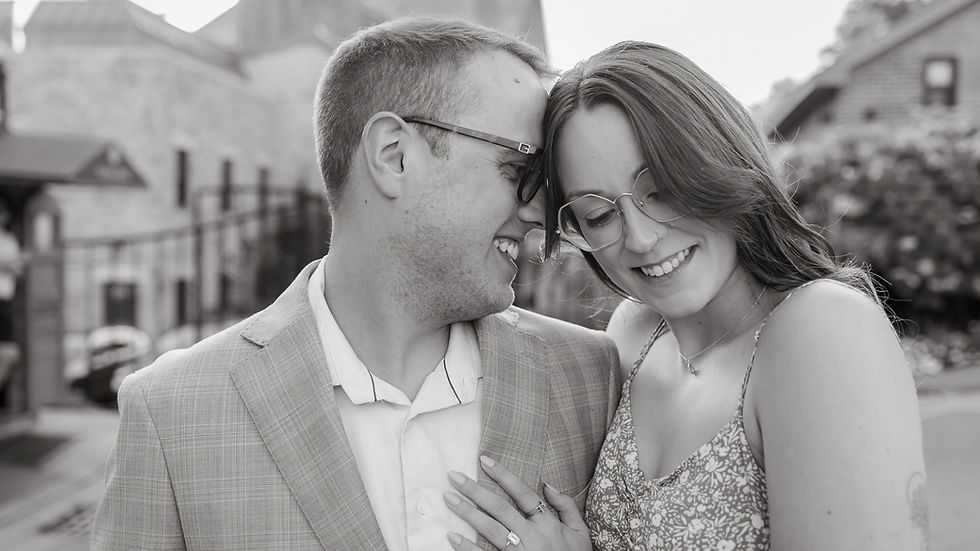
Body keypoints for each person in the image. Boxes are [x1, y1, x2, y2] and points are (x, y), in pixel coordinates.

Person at [90, 18, 621, 551]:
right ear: (394, 156)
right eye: (520, 170)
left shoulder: (593, 375)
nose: (538, 211)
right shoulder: (171, 413)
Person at [444, 41, 928, 550]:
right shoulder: (634, 335)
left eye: (661, 188)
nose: (642, 237)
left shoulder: (822, 331)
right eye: (599, 214)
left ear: (719, 160)